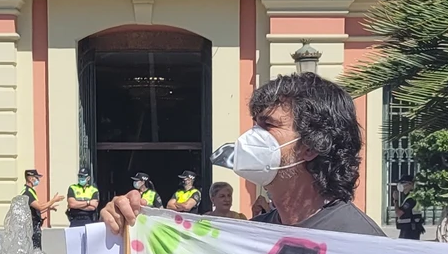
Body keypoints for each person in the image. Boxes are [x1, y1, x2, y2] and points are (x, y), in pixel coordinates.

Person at [102, 73, 384, 237]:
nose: (251, 137)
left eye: (268, 125)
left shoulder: (360, 241)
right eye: (254, 124)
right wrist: (127, 225)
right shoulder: (255, 234)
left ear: (311, 145)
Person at [24, 169, 62, 250]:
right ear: (30, 179)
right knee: (35, 251)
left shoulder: (31, 191)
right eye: (36, 177)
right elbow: (40, 206)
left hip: (34, 226)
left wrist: (49, 208)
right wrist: (53, 200)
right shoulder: (27, 193)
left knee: (37, 250)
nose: (38, 180)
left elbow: (34, 210)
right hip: (32, 227)